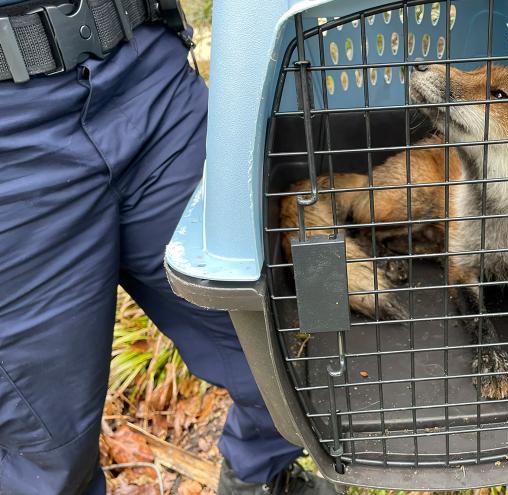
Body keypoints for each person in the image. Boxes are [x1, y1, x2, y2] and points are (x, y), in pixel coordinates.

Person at [0, 1, 336, 493]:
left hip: (143, 67)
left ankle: (262, 475)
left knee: (288, 333)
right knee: (47, 450)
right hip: (12, 140)